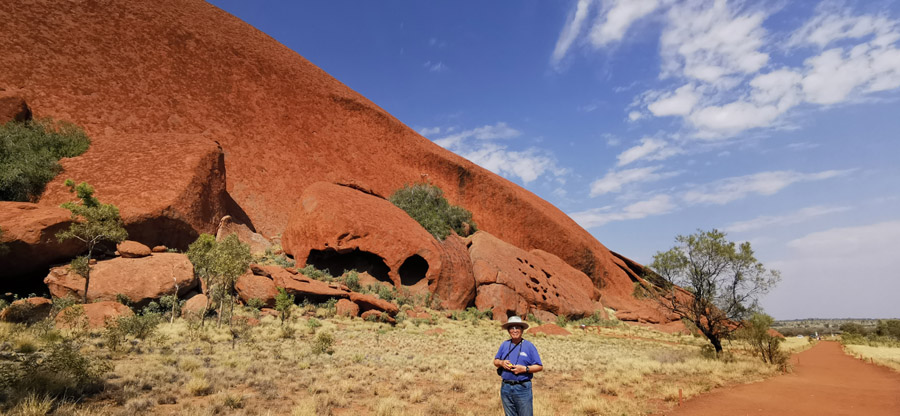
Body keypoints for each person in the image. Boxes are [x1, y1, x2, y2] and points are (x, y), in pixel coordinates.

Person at [493, 316, 543, 416]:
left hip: (522, 388)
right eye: (512, 328)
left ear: (522, 330)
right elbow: (495, 361)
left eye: (517, 328)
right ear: (508, 331)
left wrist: (525, 369)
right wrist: (502, 363)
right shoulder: (504, 345)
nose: (514, 330)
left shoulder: (529, 346)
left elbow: (539, 366)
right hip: (506, 388)